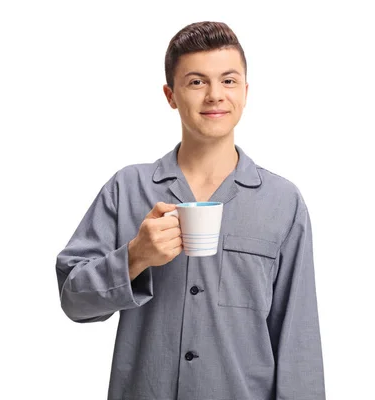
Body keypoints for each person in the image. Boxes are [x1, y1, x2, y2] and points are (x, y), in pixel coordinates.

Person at [55, 21, 326, 400]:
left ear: (245, 92)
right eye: (197, 82)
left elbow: (299, 338)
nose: (215, 95)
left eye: (228, 81)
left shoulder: (283, 201)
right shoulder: (127, 189)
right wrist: (134, 257)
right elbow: (73, 300)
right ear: (171, 94)